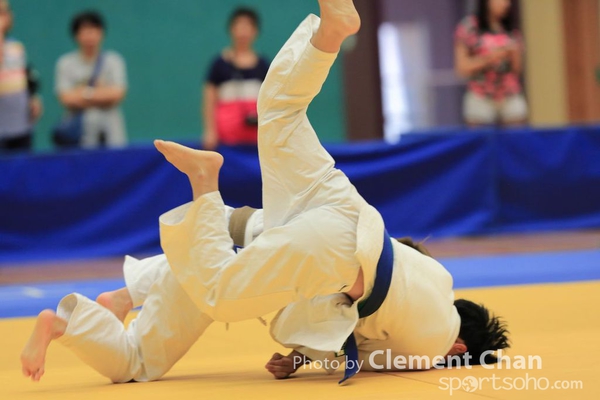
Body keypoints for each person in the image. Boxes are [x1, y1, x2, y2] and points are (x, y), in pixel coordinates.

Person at [21, 0, 509, 384]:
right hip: (336, 253)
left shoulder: (437, 276)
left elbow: (364, 307)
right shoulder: (434, 344)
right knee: (219, 292)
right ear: (460, 349)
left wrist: (300, 356)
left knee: (279, 114)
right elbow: (361, 356)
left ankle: (330, 33)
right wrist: (307, 358)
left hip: (346, 208)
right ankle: (205, 183)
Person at [55, 10, 127, 149]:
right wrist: (100, 92)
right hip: (81, 135)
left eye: (94, 30)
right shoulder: (65, 63)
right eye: (85, 31)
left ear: (101, 33)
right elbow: (66, 98)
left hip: (111, 131)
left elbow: (117, 93)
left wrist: (84, 92)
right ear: (76, 35)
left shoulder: (113, 61)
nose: (90, 36)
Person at [201, 7, 270, 150]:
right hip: (226, 140)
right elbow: (209, 99)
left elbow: (270, 100)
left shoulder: (263, 65)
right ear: (231, 29)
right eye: (239, 26)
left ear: (255, 31)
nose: (243, 32)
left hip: (256, 139)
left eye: (247, 26)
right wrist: (210, 131)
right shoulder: (219, 64)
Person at [454, 0, 527, 127]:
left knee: (517, 136)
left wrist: (514, 54)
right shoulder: (469, 27)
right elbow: (462, 68)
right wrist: (490, 58)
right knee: (479, 136)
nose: (506, 4)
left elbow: (518, 70)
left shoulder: (511, 29)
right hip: (480, 95)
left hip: (509, 93)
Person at [0, 0, 42, 152]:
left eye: (5, 12)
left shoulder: (16, 46)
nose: (3, 17)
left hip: (21, 123)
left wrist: (33, 97)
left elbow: (26, 76)